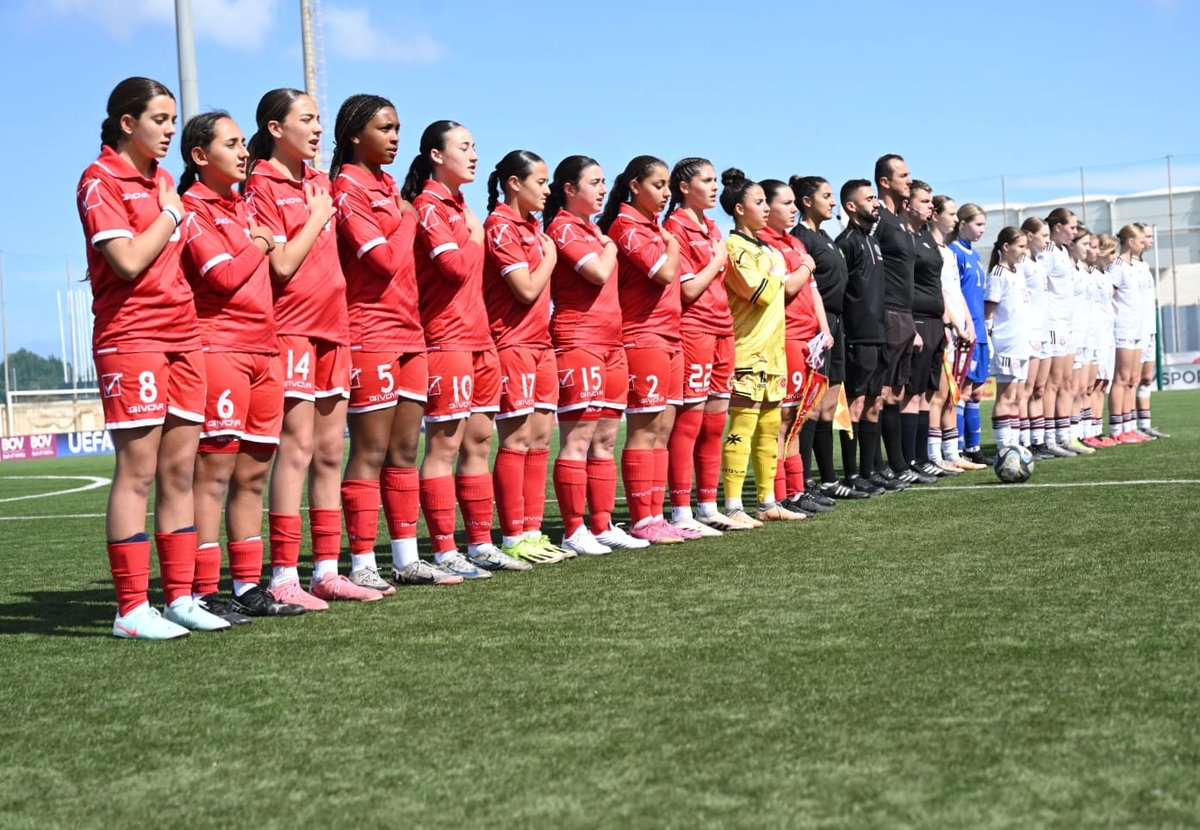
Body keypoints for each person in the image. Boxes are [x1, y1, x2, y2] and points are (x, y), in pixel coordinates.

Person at [78, 77, 226, 638]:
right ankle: (131, 610)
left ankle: (182, 599)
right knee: (137, 473)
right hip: (132, 337)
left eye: (171, 120)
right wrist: (170, 214)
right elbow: (127, 262)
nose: (168, 130)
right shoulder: (98, 180)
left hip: (183, 336)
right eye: (159, 119)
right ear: (126, 122)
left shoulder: (163, 179)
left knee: (178, 472)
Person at [329, 95, 465, 589]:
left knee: (406, 449)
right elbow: (381, 260)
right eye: (385, 128)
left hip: (410, 331)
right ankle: (362, 561)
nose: (395, 138)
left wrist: (401, 208)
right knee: (369, 451)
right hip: (369, 333)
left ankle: (407, 558)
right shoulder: (346, 188)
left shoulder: (387, 187)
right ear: (354, 136)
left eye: (397, 128)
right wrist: (407, 214)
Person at [178, 111, 303, 620]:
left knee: (254, 474)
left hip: (265, 350)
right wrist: (260, 242)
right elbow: (225, 277)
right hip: (221, 350)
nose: (243, 151)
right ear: (200, 156)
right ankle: (206, 590)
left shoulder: (242, 206)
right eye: (231, 144)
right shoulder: (192, 208)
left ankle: (248, 585)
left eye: (240, 143)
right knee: (213, 474)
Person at [244, 88, 359, 609]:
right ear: (275, 127)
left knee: (331, 451)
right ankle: (284, 575)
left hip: (336, 328)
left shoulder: (319, 182)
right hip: (290, 329)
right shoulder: (259, 185)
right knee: (296, 451)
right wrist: (316, 216)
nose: (317, 129)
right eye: (306, 119)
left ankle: (327, 571)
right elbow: (281, 264)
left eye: (319, 120)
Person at [401, 120, 526, 578]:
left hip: (479, 339)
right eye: (464, 147)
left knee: (479, 440)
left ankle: (478, 542)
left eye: (475, 147)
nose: (474, 155)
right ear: (436, 155)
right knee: (444, 445)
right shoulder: (428, 206)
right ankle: (443, 548)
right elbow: (452, 268)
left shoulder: (461, 207)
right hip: (445, 338)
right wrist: (475, 234)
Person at [544, 156, 648, 554]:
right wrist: (607, 244)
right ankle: (573, 529)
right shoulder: (562, 227)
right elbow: (599, 273)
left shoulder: (591, 229)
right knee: (578, 440)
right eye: (595, 182)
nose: (603, 189)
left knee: (605, 439)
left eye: (605, 181)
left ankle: (602, 524)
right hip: (578, 340)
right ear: (570, 190)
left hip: (612, 342)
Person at [598, 155, 697, 543]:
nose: (666, 194)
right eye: (658, 185)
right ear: (635, 186)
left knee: (663, 428)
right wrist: (672, 243)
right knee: (645, 429)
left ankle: (657, 514)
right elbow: (663, 272)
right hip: (643, 335)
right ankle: (642, 519)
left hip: (670, 335)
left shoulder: (653, 227)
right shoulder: (626, 225)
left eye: (668, 186)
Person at [482, 150, 562, 564]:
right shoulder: (499, 226)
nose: (547, 191)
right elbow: (526, 290)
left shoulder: (532, 227)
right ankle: (513, 535)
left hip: (541, 344)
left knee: (540, 439)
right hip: (511, 342)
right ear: (515, 183)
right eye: (540, 182)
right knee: (515, 439)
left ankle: (532, 530)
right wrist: (550, 257)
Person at [718, 169, 802, 522]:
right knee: (743, 426)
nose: (766, 208)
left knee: (770, 428)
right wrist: (785, 273)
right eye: (758, 202)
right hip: (748, 350)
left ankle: (768, 503)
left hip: (774, 351)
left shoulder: (768, 249)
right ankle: (734, 505)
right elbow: (763, 294)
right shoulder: (734, 247)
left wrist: (782, 272)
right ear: (739, 209)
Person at [661, 158, 738, 535]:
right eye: (705, 181)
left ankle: (708, 505)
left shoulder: (711, 227)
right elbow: (689, 289)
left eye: (714, 180)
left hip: (723, 328)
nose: (714, 187)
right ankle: (680, 510)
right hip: (694, 329)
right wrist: (718, 259)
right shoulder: (673, 227)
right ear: (683, 187)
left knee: (714, 423)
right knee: (688, 423)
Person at [756, 179, 833, 515]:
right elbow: (787, 289)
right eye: (784, 204)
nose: (792, 210)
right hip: (784, 339)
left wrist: (825, 329)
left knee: (797, 418)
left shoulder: (795, 243)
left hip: (807, 340)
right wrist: (805, 267)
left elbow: (812, 290)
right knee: (782, 419)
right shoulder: (765, 244)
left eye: (792, 204)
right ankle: (779, 493)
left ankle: (797, 489)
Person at [791, 176, 864, 500]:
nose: (832, 202)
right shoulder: (800, 239)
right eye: (826, 196)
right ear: (807, 201)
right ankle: (803, 481)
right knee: (809, 408)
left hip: (835, 326)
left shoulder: (826, 238)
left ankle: (829, 480)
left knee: (828, 406)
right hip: (812, 328)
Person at [873, 155, 932, 485]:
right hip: (886, 314)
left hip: (903, 315)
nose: (909, 180)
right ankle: (879, 466)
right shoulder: (878, 219)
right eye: (903, 175)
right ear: (886, 181)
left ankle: (897, 464)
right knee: (878, 395)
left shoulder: (898, 221)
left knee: (896, 393)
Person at [835, 180, 892, 495]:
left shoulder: (872, 242)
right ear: (851, 206)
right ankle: (852, 475)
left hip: (878, 335)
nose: (876, 203)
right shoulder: (846, 243)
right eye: (869, 198)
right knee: (855, 407)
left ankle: (870, 471)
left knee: (875, 404)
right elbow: (841, 294)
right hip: (857, 337)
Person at [925, 194, 981, 472]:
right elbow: (937, 291)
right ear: (934, 215)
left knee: (952, 393)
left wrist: (968, 322)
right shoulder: (929, 250)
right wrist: (953, 324)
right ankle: (934, 454)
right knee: (939, 392)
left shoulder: (947, 252)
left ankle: (952, 451)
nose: (956, 219)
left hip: (959, 329)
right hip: (944, 327)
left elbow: (956, 291)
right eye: (951, 213)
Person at [902, 180, 950, 479]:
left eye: (931, 201)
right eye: (924, 201)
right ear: (907, 204)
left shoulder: (926, 237)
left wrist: (944, 321)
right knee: (911, 392)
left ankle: (921, 458)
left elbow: (937, 284)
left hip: (934, 321)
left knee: (927, 392)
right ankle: (908, 461)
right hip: (916, 320)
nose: (930, 206)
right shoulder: (904, 239)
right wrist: (910, 325)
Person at [948, 203, 990, 465]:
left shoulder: (973, 255)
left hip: (981, 332)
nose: (982, 230)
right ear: (961, 223)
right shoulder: (954, 253)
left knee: (976, 392)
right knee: (961, 392)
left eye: (984, 224)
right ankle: (960, 448)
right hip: (965, 331)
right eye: (978, 224)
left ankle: (974, 448)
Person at [1036, 207, 1080, 457]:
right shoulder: (1047, 253)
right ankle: (1048, 437)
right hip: (1052, 324)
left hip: (1067, 323)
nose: (1074, 232)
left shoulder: (1063, 252)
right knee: (1050, 384)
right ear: (1057, 227)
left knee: (1065, 382)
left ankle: (1064, 435)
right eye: (1071, 227)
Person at [983, 228, 1031, 448]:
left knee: (1017, 396)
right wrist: (990, 338)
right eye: (1020, 246)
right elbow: (989, 313)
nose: (1024, 251)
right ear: (1006, 247)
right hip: (1007, 343)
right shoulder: (998, 275)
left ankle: (1015, 444)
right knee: (1006, 396)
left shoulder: (1017, 273)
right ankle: (1005, 447)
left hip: (1021, 342)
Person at [1109, 224, 1151, 444]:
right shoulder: (1117, 266)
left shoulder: (1134, 265)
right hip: (1123, 328)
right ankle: (1117, 428)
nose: (1143, 242)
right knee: (1122, 378)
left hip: (1137, 328)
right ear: (1130, 241)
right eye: (1139, 239)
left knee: (1133, 379)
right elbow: (1110, 297)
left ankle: (1129, 426)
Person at [1020, 217, 1054, 459]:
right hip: (1028, 332)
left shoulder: (1039, 262)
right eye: (1044, 236)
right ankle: (1023, 442)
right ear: (1029, 236)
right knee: (1026, 389)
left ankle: (1038, 440)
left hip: (1043, 331)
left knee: (1039, 388)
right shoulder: (1020, 262)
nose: (1047, 241)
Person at [1133, 222, 1168, 438]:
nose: (1151, 240)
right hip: (1134, 331)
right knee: (1132, 379)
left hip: (1149, 329)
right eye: (1147, 236)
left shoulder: (1143, 265)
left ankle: (1144, 423)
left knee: (1146, 378)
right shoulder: (1124, 265)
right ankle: (1129, 425)